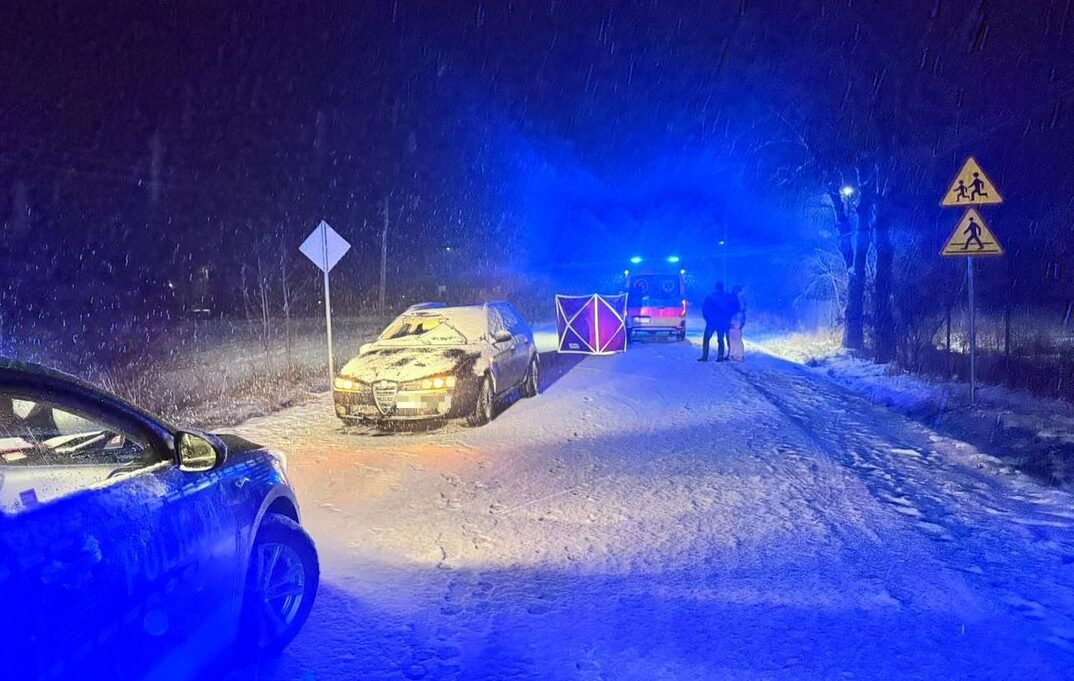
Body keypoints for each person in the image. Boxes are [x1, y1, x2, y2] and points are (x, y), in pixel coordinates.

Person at [698, 281, 739, 362]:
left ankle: (705, 356)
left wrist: (707, 318)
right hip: (722, 322)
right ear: (722, 287)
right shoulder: (727, 297)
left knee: (706, 339)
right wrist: (728, 317)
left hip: (711, 322)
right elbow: (734, 307)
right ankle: (720, 357)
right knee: (720, 339)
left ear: (715, 287)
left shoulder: (710, 296)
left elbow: (705, 309)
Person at [728, 285, 746, 361]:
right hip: (736, 319)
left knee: (735, 338)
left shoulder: (738, 298)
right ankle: (735, 354)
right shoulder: (740, 298)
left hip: (735, 319)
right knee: (734, 337)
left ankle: (738, 355)